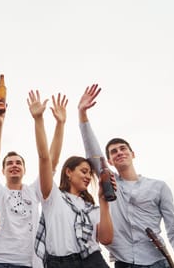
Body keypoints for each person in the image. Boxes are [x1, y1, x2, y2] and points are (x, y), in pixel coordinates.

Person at [78, 84, 174, 268]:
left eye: (123, 149)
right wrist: (82, 113)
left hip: (156, 260)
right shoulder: (111, 183)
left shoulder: (158, 187)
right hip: (123, 261)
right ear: (110, 161)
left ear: (133, 154)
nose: (119, 152)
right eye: (114, 152)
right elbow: (92, 153)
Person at [29, 90, 113, 268]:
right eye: (83, 171)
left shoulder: (91, 208)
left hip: (93, 260)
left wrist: (103, 202)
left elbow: (105, 239)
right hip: (60, 263)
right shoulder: (53, 197)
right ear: (68, 172)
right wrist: (50, 122)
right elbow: (46, 159)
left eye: (89, 173)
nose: (87, 176)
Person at [0, 93, 68, 268]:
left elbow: (49, 160)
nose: (14, 165)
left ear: (24, 169)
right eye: (9, 164)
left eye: (18, 163)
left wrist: (59, 124)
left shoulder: (33, 191)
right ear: (4, 170)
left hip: (28, 263)